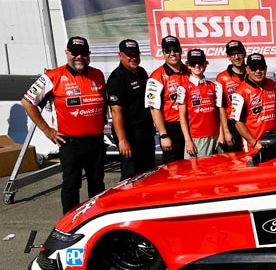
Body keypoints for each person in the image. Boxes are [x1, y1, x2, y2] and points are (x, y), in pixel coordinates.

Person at [21, 36, 106, 214]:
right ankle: (69, 222)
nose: (79, 56)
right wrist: (47, 130)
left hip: (96, 141)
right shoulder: (52, 76)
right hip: (70, 143)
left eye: (83, 53)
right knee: (72, 184)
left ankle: (96, 219)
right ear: (67, 53)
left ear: (89, 54)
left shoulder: (97, 74)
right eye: (75, 52)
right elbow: (27, 102)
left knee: (97, 183)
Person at [106, 38, 155, 181]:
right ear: (120, 55)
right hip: (129, 133)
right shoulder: (117, 78)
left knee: (149, 171)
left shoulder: (141, 72)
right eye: (129, 55)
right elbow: (116, 112)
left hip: (145, 130)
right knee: (131, 174)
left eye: (136, 54)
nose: (133, 58)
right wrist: (122, 140)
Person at [145, 35, 189, 163]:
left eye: (175, 50)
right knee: (173, 168)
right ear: (163, 53)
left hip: (192, 125)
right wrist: (163, 135)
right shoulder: (156, 77)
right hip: (171, 128)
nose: (172, 53)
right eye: (168, 51)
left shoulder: (189, 71)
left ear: (181, 51)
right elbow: (154, 109)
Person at [177, 49, 226, 158]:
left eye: (200, 63)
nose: (197, 66)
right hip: (196, 137)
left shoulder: (214, 86)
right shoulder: (183, 88)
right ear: (188, 66)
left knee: (216, 167)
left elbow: (220, 114)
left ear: (205, 64)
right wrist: (188, 140)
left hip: (216, 136)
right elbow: (182, 116)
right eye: (193, 63)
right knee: (194, 167)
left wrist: (221, 134)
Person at [230, 53, 276, 153]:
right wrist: (254, 143)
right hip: (253, 146)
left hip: (274, 142)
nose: (258, 71)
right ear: (247, 69)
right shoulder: (240, 92)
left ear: (266, 68)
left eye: (261, 68)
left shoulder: (272, 84)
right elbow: (237, 122)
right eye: (254, 68)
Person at [216, 39, 247, 152]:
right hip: (232, 124)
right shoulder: (221, 78)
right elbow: (221, 107)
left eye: (239, 53)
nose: (236, 57)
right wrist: (226, 131)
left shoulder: (252, 73)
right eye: (232, 54)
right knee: (236, 158)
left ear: (244, 54)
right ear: (228, 57)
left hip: (251, 122)